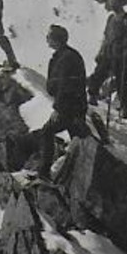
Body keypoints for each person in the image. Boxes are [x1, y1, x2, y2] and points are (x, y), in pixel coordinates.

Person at [37, 24, 89, 175]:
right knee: (78, 137)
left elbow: (65, 86)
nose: (47, 39)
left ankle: (44, 171)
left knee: (47, 132)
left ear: (56, 39)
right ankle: (82, 168)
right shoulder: (68, 55)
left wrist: (58, 109)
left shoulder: (66, 58)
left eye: (49, 37)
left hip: (70, 107)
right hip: (75, 106)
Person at [89, 0, 127, 119]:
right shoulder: (111, 19)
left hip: (121, 56)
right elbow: (106, 37)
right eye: (111, 1)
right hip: (108, 53)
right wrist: (101, 51)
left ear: (121, 3)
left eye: (114, 1)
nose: (111, 4)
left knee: (121, 82)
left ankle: (124, 108)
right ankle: (92, 96)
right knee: (98, 74)